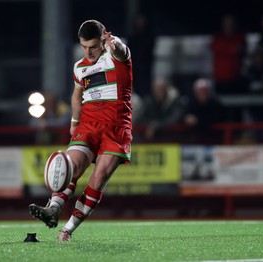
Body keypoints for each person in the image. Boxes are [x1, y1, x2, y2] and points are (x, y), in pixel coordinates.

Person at [29, 20, 133, 242]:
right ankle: (53, 210)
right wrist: (75, 122)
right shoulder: (79, 66)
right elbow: (76, 96)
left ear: (103, 39)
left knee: (99, 177)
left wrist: (113, 44)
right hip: (89, 123)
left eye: (93, 47)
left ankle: (68, 229)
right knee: (71, 165)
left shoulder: (115, 54)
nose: (88, 51)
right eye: (84, 46)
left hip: (116, 126)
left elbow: (121, 51)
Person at [135, 77, 183, 141]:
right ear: (153, 89)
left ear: (166, 89)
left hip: (172, 138)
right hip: (152, 140)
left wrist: (156, 126)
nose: (159, 91)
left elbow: (174, 119)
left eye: (161, 89)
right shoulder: (148, 101)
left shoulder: (174, 100)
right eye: (157, 89)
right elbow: (141, 119)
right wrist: (151, 124)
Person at [210, 14, 247, 95]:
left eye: (231, 23)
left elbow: (242, 49)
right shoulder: (217, 38)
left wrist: (227, 49)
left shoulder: (239, 37)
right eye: (226, 23)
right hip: (220, 80)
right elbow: (214, 47)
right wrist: (232, 48)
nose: (228, 25)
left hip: (235, 79)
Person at [127, 13, 154, 98]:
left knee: (145, 92)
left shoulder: (150, 36)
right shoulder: (132, 37)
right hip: (135, 68)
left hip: (146, 69)